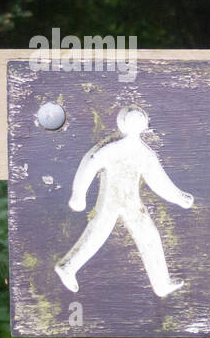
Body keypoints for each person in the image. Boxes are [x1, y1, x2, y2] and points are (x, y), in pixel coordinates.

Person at [54, 107, 194, 297]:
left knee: (147, 236)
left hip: (130, 203)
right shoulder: (117, 149)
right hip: (112, 200)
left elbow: (158, 181)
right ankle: (68, 267)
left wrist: (179, 197)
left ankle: (161, 284)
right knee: (100, 234)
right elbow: (91, 165)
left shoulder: (143, 154)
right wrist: (78, 195)